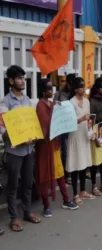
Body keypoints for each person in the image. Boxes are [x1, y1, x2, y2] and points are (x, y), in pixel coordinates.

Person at [0, 65, 40, 232]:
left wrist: (35, 135)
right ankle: (13, 218)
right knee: (12, 185)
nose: (22, 80)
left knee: (28, 183)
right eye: (19, 78)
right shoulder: (5, 102)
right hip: (14, 151)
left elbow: (31, 123)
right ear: (11, 81)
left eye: (23, 78)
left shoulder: (27, 100)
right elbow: (2, 128)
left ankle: (27, 212)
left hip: (29, 150)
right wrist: (13, 135)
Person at [36, 79, 78, 217]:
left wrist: (60, 109)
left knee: (59, 172)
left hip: (54, 145)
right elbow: (44, 127)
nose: (51, 90)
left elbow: (59, 121)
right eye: (48, 88)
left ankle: (66, 199)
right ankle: (46, 206)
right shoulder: (40, 106)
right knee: (45, 175)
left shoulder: (54, 104)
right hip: (44, 147)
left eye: (52, 87)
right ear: (42, 91)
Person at [66, 77, 95, 205]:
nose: (83, 89)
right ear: (75, 88)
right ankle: (75, 194)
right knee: (75, 164)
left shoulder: (87, 102)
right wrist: (80, 119)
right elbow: (68, 122)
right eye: (81, 87)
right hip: (75, 136)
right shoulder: (70, 103)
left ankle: (83, 191)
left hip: (84, 135)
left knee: (83, 164)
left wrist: (91, 131)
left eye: (84, 87)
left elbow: (90, 119)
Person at [54, 73, 75, 184]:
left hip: (73, 126)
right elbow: (53, 107)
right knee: (65, 151)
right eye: (70, 83)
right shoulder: (59, 93)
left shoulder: (74, 94)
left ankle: (73, 171)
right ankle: (66, 175)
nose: (71, 86)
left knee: (73, 150)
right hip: (63, 127)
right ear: (66, 82)